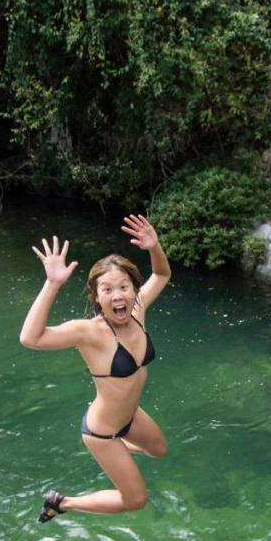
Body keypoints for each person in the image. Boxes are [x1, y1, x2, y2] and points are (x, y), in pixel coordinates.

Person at [19, 214, 172, 521]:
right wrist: (52, 283)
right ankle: (62, 502)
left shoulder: (138, 310)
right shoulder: (90, 333)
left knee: (159, 451)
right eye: (107, 290)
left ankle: (123, 449)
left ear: (133, 290)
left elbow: (162, 274)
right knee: (136, 500)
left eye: (124, 287)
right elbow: (30, 338)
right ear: (97, 297)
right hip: (103, 431)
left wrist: (154, 247)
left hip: (130, 416)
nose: (117, 295)